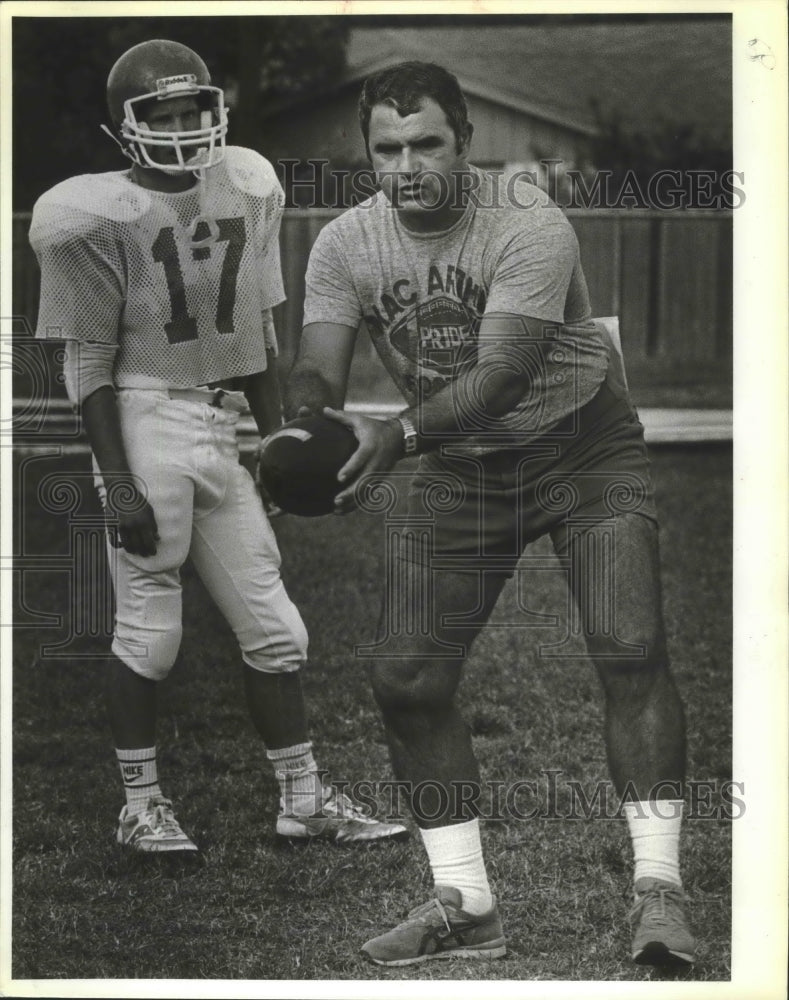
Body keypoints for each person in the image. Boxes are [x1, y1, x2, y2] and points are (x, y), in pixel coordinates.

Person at [284, 61, 695, 966]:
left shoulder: (526, 219)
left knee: (629, 646)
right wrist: (309, 423)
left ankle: (659, 893)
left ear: (465, 141)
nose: (407, 164)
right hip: (461, 468)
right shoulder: (345, 242)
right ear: (368, 153)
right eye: (386, 148)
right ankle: (466, 907)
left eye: (426, 141)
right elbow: (317, 361)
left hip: (581, 444)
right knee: (405, 678)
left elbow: (503, 374)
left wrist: (391, 437)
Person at [28, 39, 406, 856]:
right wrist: (116, 479)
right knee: (149, 632)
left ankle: (302, 801)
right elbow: (88, 364)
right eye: (158, 113)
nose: (179, 127)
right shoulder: (90, 214)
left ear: (215, 110)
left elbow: (258, 332)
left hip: (218, 423)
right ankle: (141, 807)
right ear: (122, 126)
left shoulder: (245, 183)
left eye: (190, 109)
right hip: (143, 419)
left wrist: (276, 437)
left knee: (276, 628)